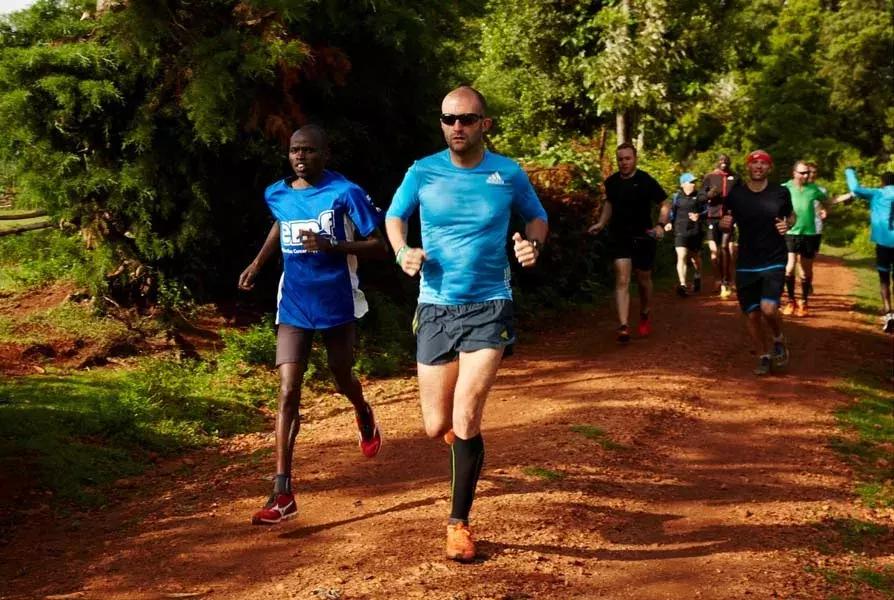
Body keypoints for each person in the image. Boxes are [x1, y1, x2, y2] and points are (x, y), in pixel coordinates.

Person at [385, 86, 548, 562]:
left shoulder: (507, 173)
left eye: (467, 119)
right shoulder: (422, 171)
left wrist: (533, 245)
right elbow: (395, 216)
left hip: (490, 305)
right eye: (449, 119)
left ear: (484, 124)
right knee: (437, 425)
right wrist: (402, 251)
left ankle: (458, 523)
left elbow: (537, 217)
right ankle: (464, 446)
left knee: (466, 416)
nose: (457, 126)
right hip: (436, 306)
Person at [239, 125, 387, 525]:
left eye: (308, 150)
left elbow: (379, 245)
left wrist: (333, 246)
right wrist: (258, 262)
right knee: (288, 389)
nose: (300, 157)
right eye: (294, 151)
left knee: (341, 374)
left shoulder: (346, 192)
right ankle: (282, 492)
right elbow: (280, 223)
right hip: (294, 303)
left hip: (337, 299)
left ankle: (363, 411)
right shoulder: (277, 193)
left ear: (325, 153)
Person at [720, 150, 794, 375]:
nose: (758, 167)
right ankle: (763, 356)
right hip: (746, 261)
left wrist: (788, 224)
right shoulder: (736, 194)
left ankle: (778, 338)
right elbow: (726, 221)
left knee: (769, 309)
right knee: (752, 314)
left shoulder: (780, 192)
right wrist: (724, 224)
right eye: (754, 163)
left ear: (769, 168)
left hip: (774, 258)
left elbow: (791, 215)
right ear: (748, 167)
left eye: (763, 163)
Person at [588, 143, 671, 342]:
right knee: (622, 279)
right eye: (620, 159)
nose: (624, 162)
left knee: (643, 280)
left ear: (635, 159)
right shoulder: (612, 182)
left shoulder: (645, 180)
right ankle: (623, 325)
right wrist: (601, 223)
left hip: (644, 236)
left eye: (627, 158)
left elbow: (665, 203)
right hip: (620, 236)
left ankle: (645, 311)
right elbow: (609, 203)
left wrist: (660, 225)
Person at [841, 168, 894, 333]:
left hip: (884, 244)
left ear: (882, 182)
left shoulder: (878, 193)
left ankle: (889, 314)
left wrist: (849, 171)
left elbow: (856, 189)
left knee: (884, 280)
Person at [781, 160, 827, 317]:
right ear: (794, 173)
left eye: (807, 172)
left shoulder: (813, 189)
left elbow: (828, 201)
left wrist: (848, 195)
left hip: (809, 234)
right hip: (791, 232)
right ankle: (790, 301)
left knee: (805, 272)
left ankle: (804, 302)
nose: (806, 175)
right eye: (802, 173)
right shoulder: (785, 188)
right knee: (789, 267)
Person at [702, 154, 739, 298]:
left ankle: (726, 281)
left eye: (726, 160)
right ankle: (718, 278)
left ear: (729, 162)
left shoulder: (735, 178)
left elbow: (742, 196)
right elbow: (700, 196)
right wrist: (710, 194)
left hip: (728, 217)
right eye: (721, 160)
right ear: (717, 162)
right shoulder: (710, 177)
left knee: (725, 248)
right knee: (714, 252)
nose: (724, 162)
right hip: (712, 218)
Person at [666, 172, 706, 296]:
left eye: (694, 182)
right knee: (681, 255)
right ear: (683, 184)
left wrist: (699, 215)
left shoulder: (699, 196)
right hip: (680, 230)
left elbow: (707, 210)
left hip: (695, 231)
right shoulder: (676, 197)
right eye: (691, 182)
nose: (693, 184)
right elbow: (671, 212)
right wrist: (669, 223)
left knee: (695, 258)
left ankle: (697, 275)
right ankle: (682, 284)